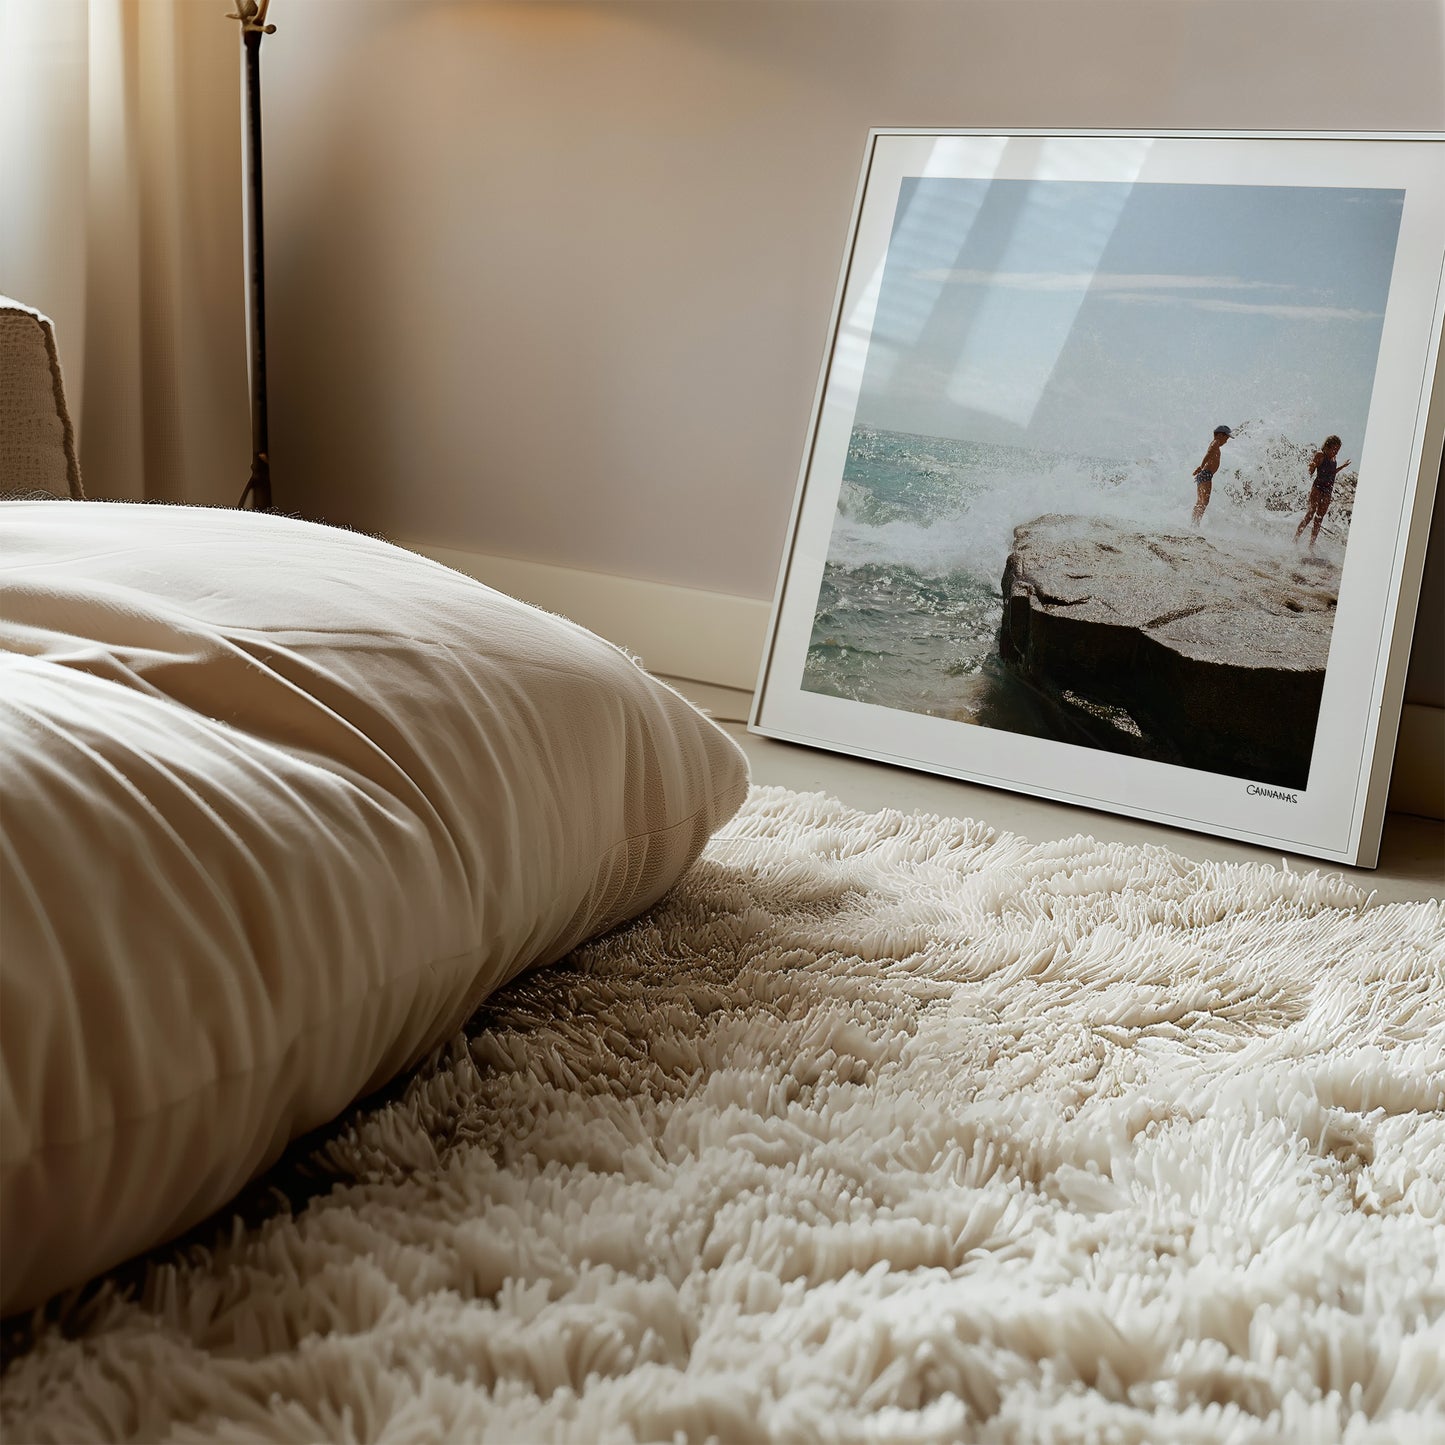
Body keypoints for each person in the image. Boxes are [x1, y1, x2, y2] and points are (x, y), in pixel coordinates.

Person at [1295, 434, 1351, 549]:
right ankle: (1295, 539)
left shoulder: (1334, 459)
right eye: (1334, 449)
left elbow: (1331, 473)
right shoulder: (1320, 455)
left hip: (1328, 490)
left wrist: (1342, 466)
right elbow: (1312, 468)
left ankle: (1311, 545)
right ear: (1327, 446)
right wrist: (1311, 467)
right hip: (1318, 487)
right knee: (1310, 514)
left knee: (1319, 518)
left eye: (1338, 450)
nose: (1336, 452)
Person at [1191, 425, 1232, 526]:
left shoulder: (1215, 444)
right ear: (1220, 435)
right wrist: (1201, 467)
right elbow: (1209, 454)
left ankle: (1194, 523)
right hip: (1206, 474)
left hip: (1204, 474)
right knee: (1204, 501)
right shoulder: (1216, 442)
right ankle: (1195, 524)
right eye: (1226, 438)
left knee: (1200, 501)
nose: (1226, 441)